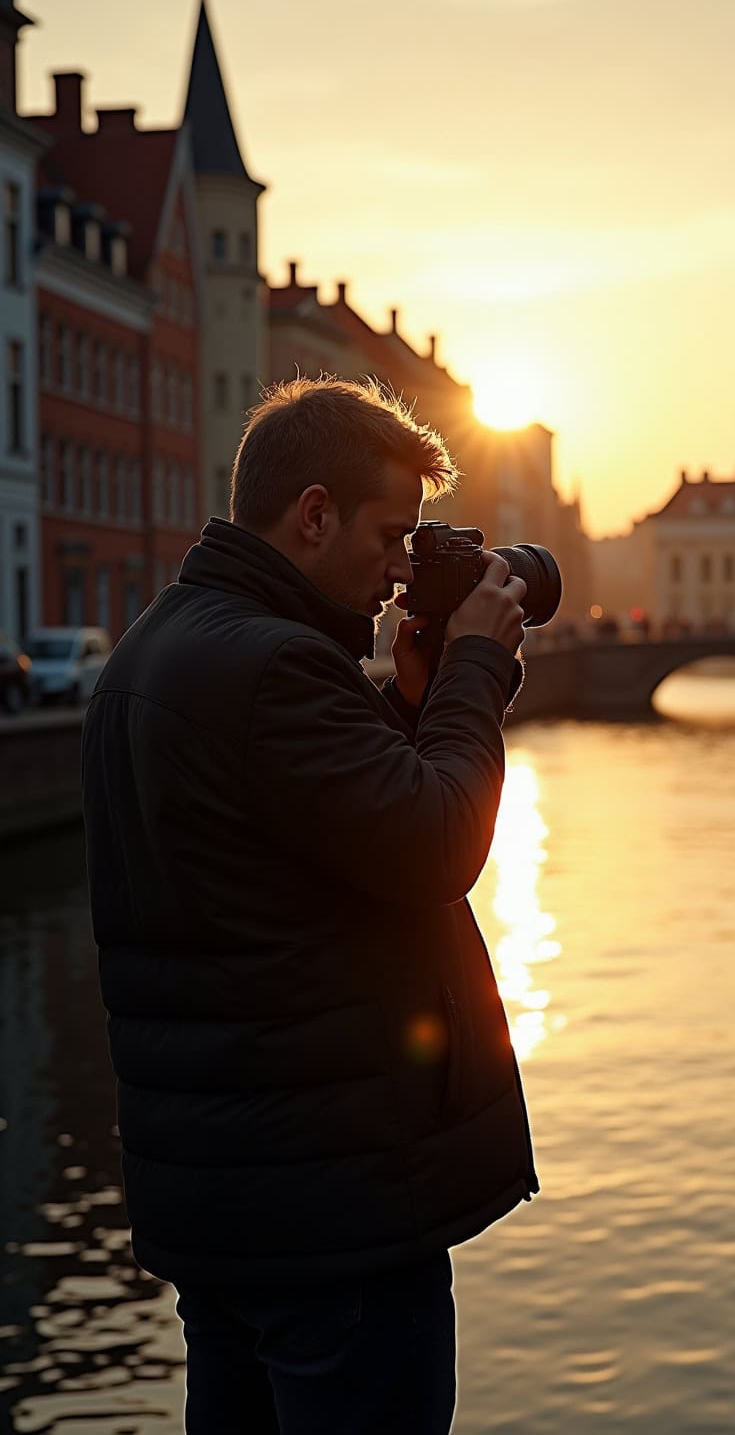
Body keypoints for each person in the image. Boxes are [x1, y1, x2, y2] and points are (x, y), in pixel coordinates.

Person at [80, 376, 539, 1434]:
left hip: (224, 1198)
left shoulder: (158, 650)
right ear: (314, 512)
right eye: (390, 536)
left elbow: (288, 841)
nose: (400, 570)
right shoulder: (274, 663)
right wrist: (474, 668)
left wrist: (406, 704)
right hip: (331, 1207)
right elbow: (433, 844)